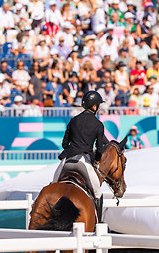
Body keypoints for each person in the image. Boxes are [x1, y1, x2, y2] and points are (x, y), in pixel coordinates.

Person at [52, 90, 108, 222]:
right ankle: (98, 224)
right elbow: (100, 149)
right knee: (98, 194)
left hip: (67, 161)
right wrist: (97, 161)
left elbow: (65, 144)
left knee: (52, 187)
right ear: (94, 106)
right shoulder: (98, 125)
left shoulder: (73, 120)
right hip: (84, 162)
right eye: (98, 105)